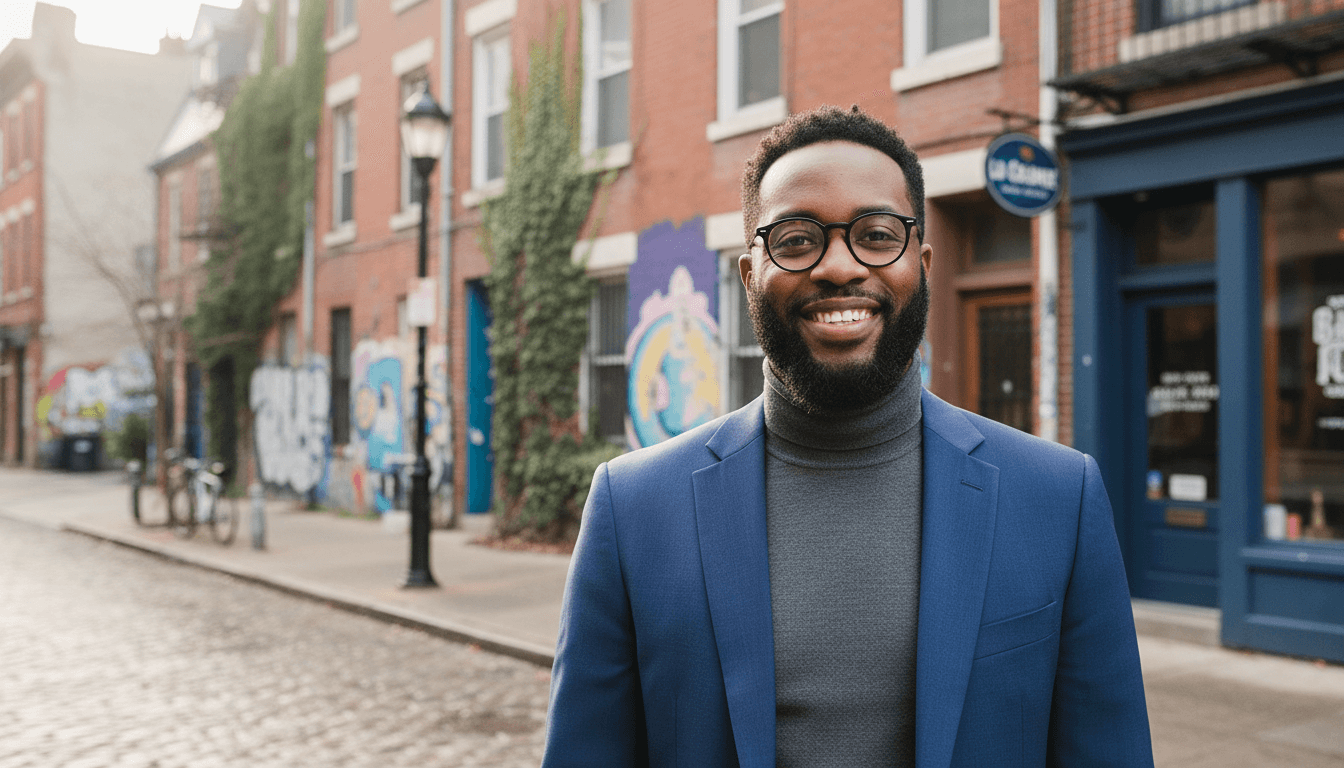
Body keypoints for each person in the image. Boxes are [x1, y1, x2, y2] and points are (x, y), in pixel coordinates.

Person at [542, 105, 1153, 768]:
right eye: (797, 239)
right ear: (751, 274)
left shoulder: (1060, 499)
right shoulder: (632, 509)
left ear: (919, 263)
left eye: (876, 234)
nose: (839, 266)